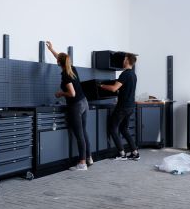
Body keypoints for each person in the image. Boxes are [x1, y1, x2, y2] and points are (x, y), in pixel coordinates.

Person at [46, 41, 93, 171]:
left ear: (58, 63)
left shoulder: (65, 75)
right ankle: (89, 158)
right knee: (84, 131)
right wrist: (51, 49)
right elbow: (60, 58)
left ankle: (82, 163)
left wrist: (60, 93)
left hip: (76, 105)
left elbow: (72, 93)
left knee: (79, 134)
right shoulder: (72, 68)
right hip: (84, 102)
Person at [100, 53, 140, 161]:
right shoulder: (133, 74)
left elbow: (114, 88)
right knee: (124, 129)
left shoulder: (125, 74)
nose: (123, 61)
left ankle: (122, 154)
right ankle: (135, 153)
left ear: (127, 60)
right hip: (130, 106)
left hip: (123, 106)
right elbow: (123, 89)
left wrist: (101, 85)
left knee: (113, 128)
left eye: (124, 59)